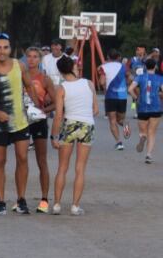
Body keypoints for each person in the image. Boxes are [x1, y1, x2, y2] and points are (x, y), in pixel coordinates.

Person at [0, 33, 33, 215]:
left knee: (23, 158)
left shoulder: (20, 66)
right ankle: (1, 202)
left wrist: (42, 107)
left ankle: (21, 200)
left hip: (20, 121)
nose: (2, 51)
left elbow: (30, 87)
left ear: (11, 49)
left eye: (5, 47)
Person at [50, 54, 96, 215]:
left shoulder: (61, 89)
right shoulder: (89, 84)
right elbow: (95, 110)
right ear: (73, 67)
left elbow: (58, 115)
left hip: (69, 124)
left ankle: (56, 204)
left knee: (62, 167)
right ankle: (75, 206)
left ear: (60, 71)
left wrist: (54, 136)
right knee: (80, 168)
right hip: (87, 125)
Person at [22, 46, 54, 212]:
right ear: (25, 58)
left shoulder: (45, 79)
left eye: (35, 57)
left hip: (39, 121)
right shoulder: (20, 76)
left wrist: (43, 111)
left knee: (41, 160)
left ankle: (44, 199)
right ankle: (21, 198)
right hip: (23, 121)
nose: (32, 59)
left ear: (40, 60)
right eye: (29, 56)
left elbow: (56, 102)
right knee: (22, 159)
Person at [97, 51, 132, 150]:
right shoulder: (124, 67)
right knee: (120, 119)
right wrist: (124, 84)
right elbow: (130, 79)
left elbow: (102, 81)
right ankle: (126, 127)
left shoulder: (105, 67)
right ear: (119, 57)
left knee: (112, 121)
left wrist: (104, 84)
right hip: (122, 96)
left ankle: (119, 143)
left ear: (108, 57)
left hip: (110, 96)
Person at [134, 56, 163, 163]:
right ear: (155, 67)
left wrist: (136, 98)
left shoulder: (140, 77)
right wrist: (159, 95)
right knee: (152, 132)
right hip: (156, 108)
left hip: (142, 107)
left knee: (143, 131)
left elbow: (130, 89)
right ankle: (148, 155)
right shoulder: (160, 78)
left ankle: (142, 137)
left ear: (145, 67)